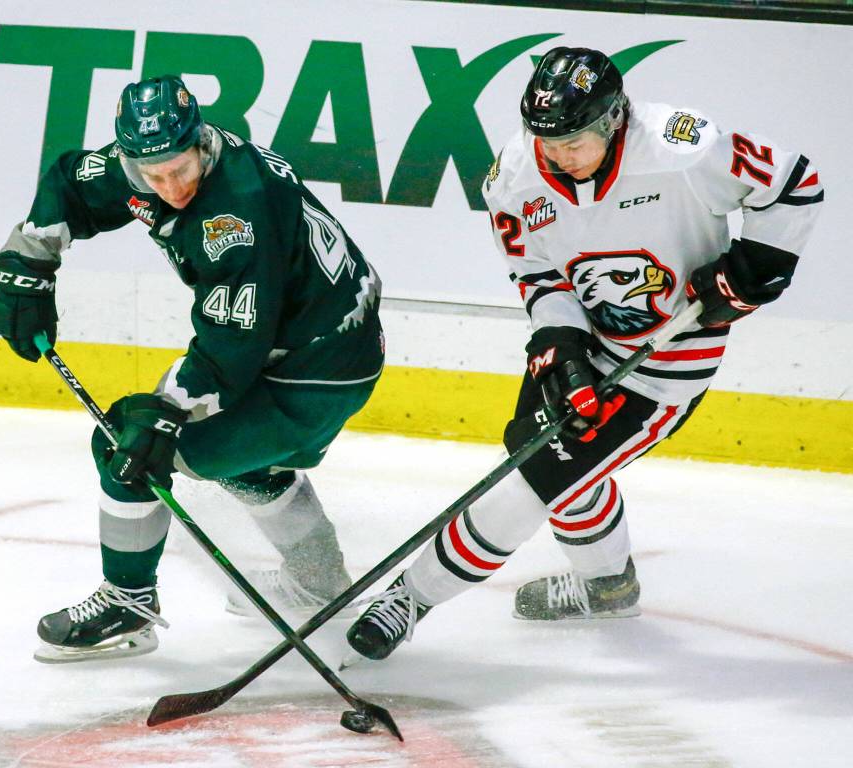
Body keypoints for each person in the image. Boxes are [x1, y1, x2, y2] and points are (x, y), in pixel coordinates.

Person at [344, 46, 823, 662]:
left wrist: (756, 269)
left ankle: (408, 600)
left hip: (666, 365)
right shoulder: (513, 178)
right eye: (546, 141)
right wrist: (559, 343)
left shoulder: (683, 149)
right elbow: (538, 272)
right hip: (584, 342)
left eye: (573, 142)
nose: (558, 155)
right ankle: (609, 589)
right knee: (558, 474)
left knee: (526, 486)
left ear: (613, 118)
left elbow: (794, 182)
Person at [0, 74, 385, 663]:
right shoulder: (150, 159)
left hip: (316, 370)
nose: (171, 187)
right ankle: (319, 581)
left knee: (130, 444)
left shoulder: (235, 215)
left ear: (201, 142)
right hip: (310, 344)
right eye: (154, 175)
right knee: (245, 461)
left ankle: (128, 605)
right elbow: (72, 183)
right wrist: (28, 265)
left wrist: (164, 412)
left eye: (181, 169)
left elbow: (229, 354)